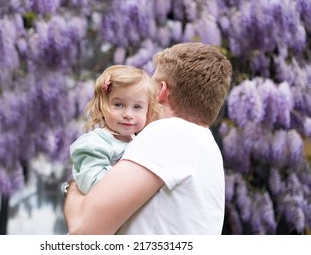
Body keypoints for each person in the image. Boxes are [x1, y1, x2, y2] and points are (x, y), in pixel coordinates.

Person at [63, 42, 232, 234]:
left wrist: (73, 188)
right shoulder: (208, 150)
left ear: (160, 91)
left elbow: (82, 230)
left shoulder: (168, 133)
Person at [69, 65, 162, 194]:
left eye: (137, 106)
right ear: (102, 107)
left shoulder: (139, 141)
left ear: (148, 112)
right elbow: (92, 185)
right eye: (118, 105)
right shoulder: (96, 143)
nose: (128, 114)